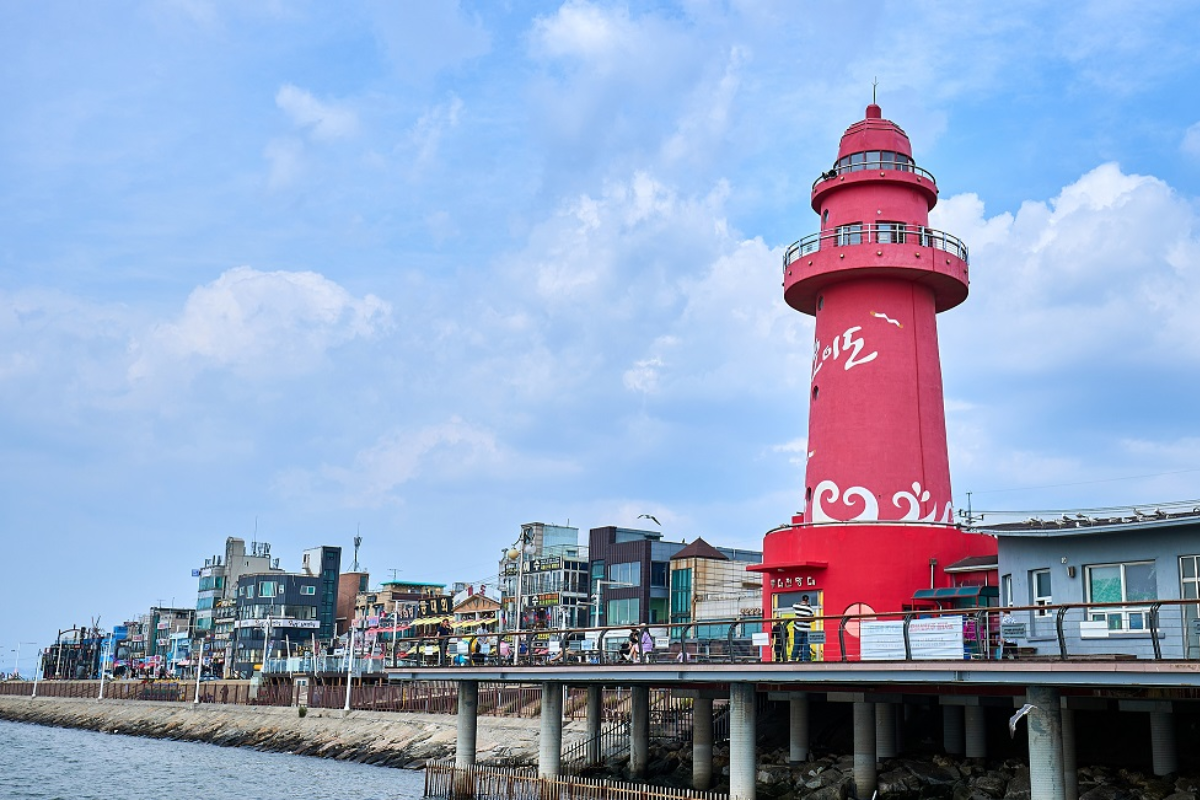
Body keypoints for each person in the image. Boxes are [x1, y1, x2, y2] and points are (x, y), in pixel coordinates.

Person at [791, 596, 815, 662]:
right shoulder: (810, 609)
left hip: (798, 628)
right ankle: (806, 659)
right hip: (806, 629)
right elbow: (812, 617)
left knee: (797, 644)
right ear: (808, 601)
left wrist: (800, 604)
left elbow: (793, 605)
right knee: (806, 645)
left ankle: (793, 658)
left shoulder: (796, 606)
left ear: (802, 600)